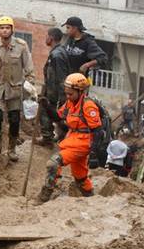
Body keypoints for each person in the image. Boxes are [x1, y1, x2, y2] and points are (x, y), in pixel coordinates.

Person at [36, 73, 104, 203]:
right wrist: (47, 105)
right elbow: (58, 117)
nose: (68, 96)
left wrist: (94, 154)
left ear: (80, 91)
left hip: (83, 142)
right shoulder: (70, 103)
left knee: (53, 163)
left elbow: (98, 131)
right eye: (66, 93)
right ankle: (91, 198)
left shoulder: (88, 106)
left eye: (70, 94)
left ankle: (44, 196)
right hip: (73, 139)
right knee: (80, 177)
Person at [0, 16, 35, 161]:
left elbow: (29, 67)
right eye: (2, 28)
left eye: (7, 28)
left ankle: (12, 148)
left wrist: (30, 86)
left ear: (12, 30)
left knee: (14, 119)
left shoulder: (21, 45)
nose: (5, 30)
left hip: (15, 88)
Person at [39, 27, 68, 145]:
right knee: (55, 114)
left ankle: (47, 137)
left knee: (45, 110)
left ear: (51, 38)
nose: (45, 38)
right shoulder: (57, 52)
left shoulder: (57, 55)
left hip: (54, 92)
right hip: (52, 90)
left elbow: (61, 77)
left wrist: (62, 97)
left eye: (46, 36)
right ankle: (61, 134)